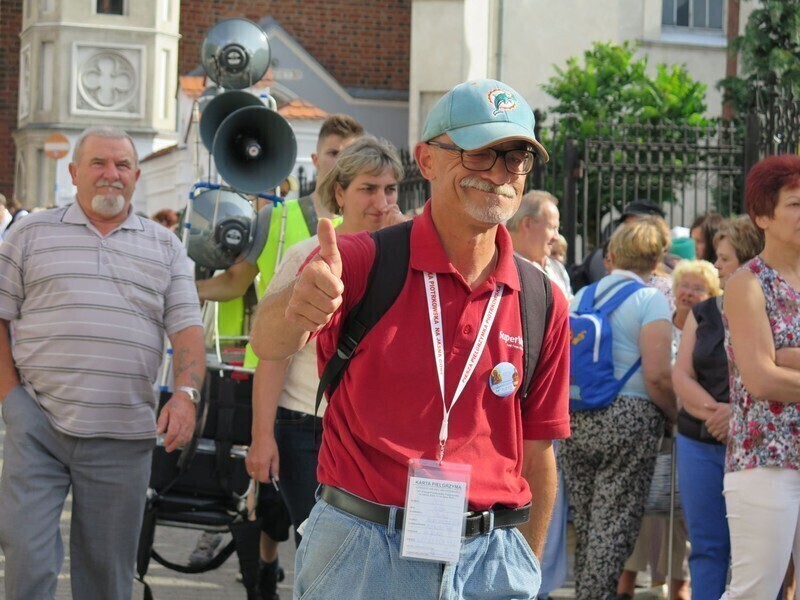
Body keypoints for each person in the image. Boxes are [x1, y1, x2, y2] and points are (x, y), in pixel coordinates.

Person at [250, 78, 570, 599]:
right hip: (364, 551)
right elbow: (268, 341)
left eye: (515, 157)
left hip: (491, 562)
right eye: (479, 153)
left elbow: (539, 454)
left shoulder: (542, 299)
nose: (500, 174)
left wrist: (524, 568)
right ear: (427, 160)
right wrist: (296, 305)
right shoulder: (360, 260)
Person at [0, 126, 205, 600]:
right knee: (27, 559)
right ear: (74, 173)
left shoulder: (167, 247)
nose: (111, 174)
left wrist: (185, 395)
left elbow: (188, 329)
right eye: (98, 164)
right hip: (37, 424)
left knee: (107, 579)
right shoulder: (30, 234)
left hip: (123, 432)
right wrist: (11, 400)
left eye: (122, 165)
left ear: (136, 176)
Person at [246, 137, 406, 549]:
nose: (381, 201)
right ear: (340, 193)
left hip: (378, 431)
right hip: (307, 425)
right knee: (321, 551)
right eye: (368, 189)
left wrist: (401, 253)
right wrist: (262, 438)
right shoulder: (308, 253)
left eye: (390, 189)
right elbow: (274, 356)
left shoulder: (410, 254)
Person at [560, 217, 677, 600]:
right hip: (630, 419)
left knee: (591, 523)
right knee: (615, 524)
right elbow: (659, 376)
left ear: (612, 255)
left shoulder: (582, 297)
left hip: (578, 417)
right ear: (655, 260)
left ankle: (588, 593)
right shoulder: (651, 300)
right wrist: (676, 416)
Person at [721, 155, 800, 599]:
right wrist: (777, 363)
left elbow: (776, 368)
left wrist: (788, 358)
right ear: (762, 215)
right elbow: (761, 379)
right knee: (755, 589)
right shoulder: (748, 283)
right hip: (765, 458)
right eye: (794, 204)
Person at [672, 217, 763, 600]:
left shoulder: (773, 310)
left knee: (757, 554)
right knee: (707, 547)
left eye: (724, 259)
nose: (717, 266)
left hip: (756, 446)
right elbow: (681, 374)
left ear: (747, 260)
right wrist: (717, 412)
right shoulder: (704, 312)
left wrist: (737, 414)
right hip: (700, 441)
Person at [506, 189, 573, 299]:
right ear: (527, 224)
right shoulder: (500, 266)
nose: (556, 237)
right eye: (552, 227)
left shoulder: (556, 268)